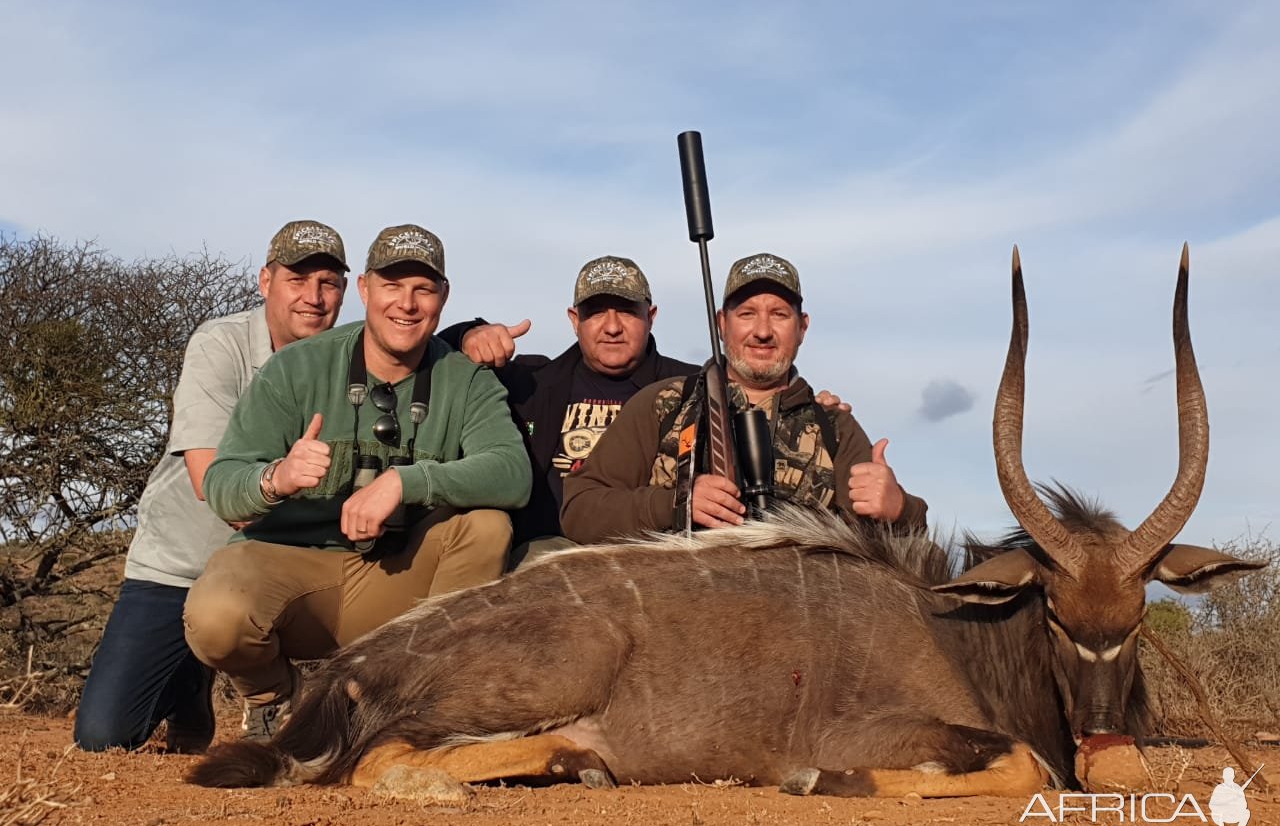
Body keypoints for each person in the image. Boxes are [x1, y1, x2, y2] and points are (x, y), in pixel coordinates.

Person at [183, 224, 531, 740]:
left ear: (444, 297)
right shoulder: (294, 369)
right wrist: (277, 477)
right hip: (294, 574)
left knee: (486, 526)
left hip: (397, 579)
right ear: (365, 289)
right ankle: (276, 701)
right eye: (392, 286)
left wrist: (405, 483)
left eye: (424, 289)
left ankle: (416, 708)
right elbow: (223, 483)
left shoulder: (466, 378)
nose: (407, 304)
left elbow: (511, 472)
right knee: (217, 617)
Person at [75, 220, 350, 753]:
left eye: (328, 282)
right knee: (103, 737)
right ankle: (191, 684)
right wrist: (282, 480)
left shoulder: (354, 352)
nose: (313, 298)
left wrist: (471, 331)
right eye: (297, 279)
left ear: (347, 289)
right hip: (180, 565)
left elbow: (415, 339)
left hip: (278, 566)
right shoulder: (219, 343)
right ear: (264, 281)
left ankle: (270, 690)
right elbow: (212, 485)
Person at [560, 252, 927, 543]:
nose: (763, 331)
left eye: (780, 315)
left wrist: (900, 510)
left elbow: (907, 538)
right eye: (747, 314)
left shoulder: (835, 426)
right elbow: (579, 510)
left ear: (802, 328)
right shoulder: (663, 404)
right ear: (722, 324)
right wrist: (676, 503)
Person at [441, 256, 697, 564]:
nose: (612, 327)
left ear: (651, 316)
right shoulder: (528, 384)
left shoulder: (694, 387)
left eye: (628, 312)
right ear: (574, 319)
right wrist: (467, 334)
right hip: (547, 555)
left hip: (653, 552)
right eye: (596, 312)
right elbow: (430, 361)